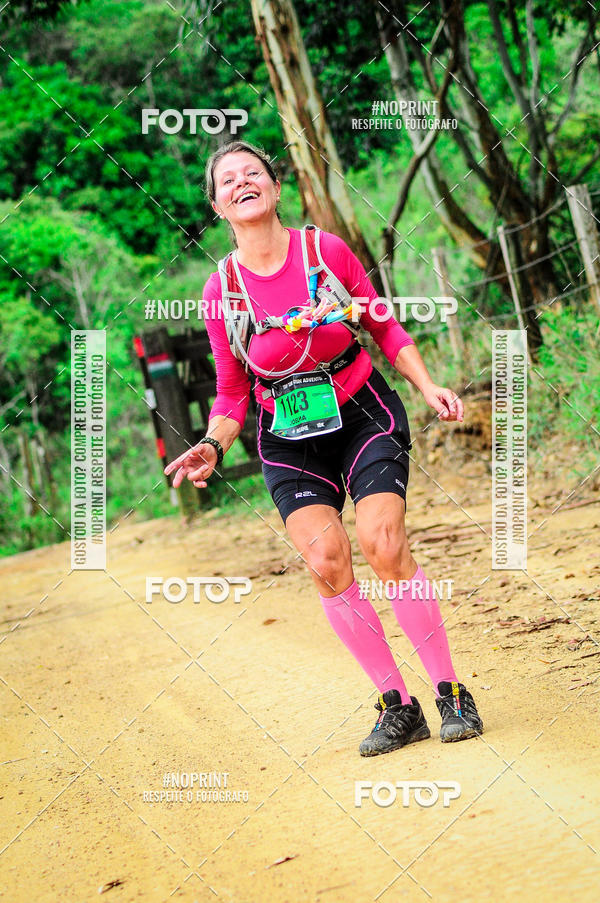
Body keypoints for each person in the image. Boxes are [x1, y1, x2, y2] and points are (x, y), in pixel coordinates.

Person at [165, 140, 483, 756]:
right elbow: (233, 392)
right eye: (227, 181)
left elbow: (384, 325)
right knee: (326, 563)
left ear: (275, 187)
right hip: (286, 437)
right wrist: (211, 443)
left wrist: (429, 385)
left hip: (363, 412)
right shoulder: (222, 290)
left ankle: (450, 691)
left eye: (252, 173)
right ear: (217, 205)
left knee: (382, 543)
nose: (241, 184)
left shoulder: (324, 251)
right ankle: (398, 707)